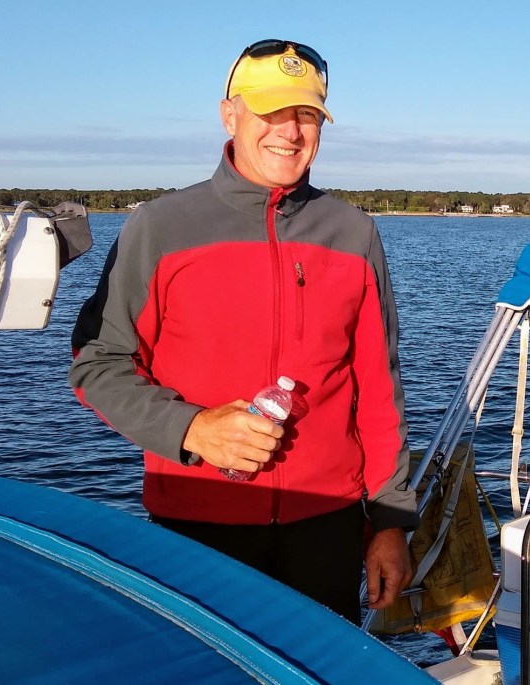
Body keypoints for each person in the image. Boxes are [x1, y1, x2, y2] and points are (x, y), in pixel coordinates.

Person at [69, 39, 416, 623]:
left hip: (327, 527)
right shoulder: (160, 226)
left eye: (306, 114)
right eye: (270, 111)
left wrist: (390, 521)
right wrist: (192, 428)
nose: (290, 131)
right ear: (229, 115)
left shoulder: (354, 232)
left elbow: (379, 388)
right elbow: (97, 364)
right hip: (198, 526)